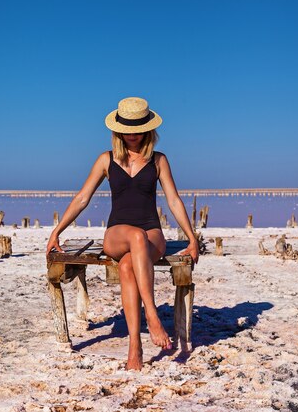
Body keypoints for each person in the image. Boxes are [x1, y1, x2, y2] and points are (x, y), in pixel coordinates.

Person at [46, 97, 199, 370]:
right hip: (117, 233)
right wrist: (56, 231)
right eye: (127, 129)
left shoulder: (159, 160)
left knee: (130, 262)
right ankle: (151, 316)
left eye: (137, 128)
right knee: (134, 238)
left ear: (148, 128)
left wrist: (192, 238)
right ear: (118, 130)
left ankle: (134, 347)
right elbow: (83, 198)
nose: (132, 135)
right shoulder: (106, 160)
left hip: (152, 233)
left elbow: (174, 200)